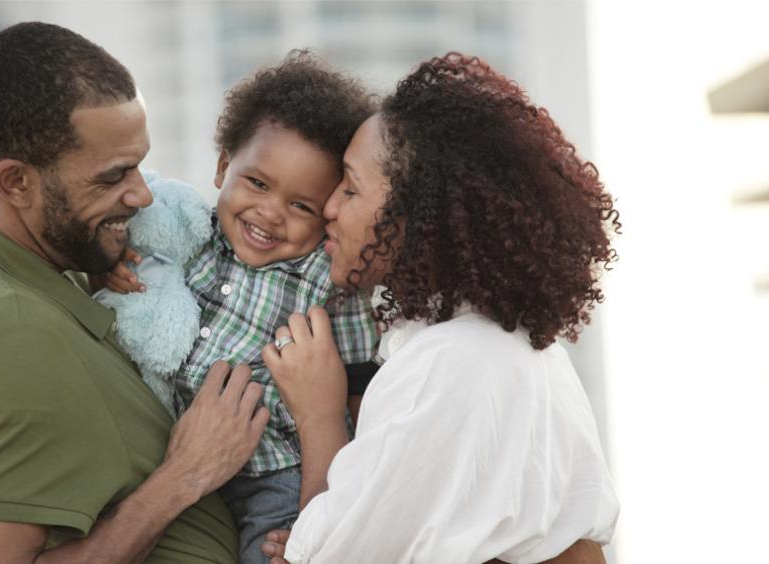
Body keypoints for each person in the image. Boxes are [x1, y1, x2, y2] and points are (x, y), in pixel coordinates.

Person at [259, 53, 621, 563]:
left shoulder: (452, 362)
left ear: (412, 213)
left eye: (350, 186)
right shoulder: (508, 345)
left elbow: (330, 557)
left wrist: (319, 414)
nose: (330, 208)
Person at [0, 22, 269, 563]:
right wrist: (184, 476)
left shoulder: (45, 272)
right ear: (16, 183)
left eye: (139, 163)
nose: (140, 194)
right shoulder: (13, 327)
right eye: (112, 177)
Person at [98, 52, 379, 564]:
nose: (270, 214)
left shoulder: (327, 279)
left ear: (329, 213)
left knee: (274, 553)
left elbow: (360, 385)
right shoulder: (194, 240)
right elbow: (135, 259)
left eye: (301, 206)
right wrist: (112, 271)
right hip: (176, 446)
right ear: (224, 166)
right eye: (257, 183)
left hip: (275, 472)